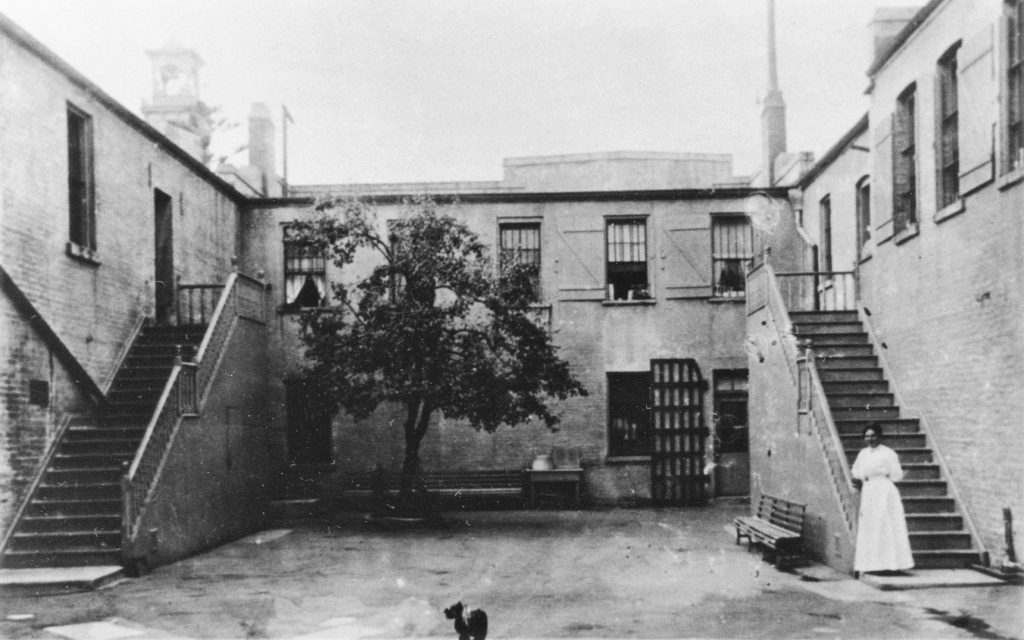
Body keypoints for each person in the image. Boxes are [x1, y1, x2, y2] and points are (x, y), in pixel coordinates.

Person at [851, 422, 914, 575]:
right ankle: (873, 564)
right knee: (871, 526)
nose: (870, 439)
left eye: (873, 436)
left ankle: (890, 563)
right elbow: (855, 471)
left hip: (884, 492)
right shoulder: (863, 453)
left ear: (879, 436)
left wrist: (883, 478)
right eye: (867, 436)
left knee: (886, 525)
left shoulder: (888, 453)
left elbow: (897, 474)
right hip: (869, 491)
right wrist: (863, 476)